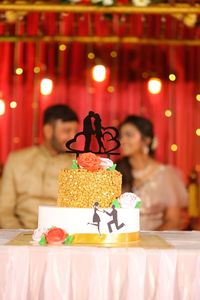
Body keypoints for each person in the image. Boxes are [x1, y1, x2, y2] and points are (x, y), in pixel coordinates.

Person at [0, 104, 79, 229]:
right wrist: (19, 236)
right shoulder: (17, 160)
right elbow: (4, 210)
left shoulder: (79, 165)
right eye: (66, 131)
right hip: (19, 234)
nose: (73, 137)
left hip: (63, 239)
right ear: (48, 131)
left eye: (75, 131)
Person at [116, 115, 188, 231]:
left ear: (147, 140)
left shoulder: (165, 174)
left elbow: (173, 220)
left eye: (129, 135)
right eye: (121, 136)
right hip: (124, 241)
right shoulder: (117, 172)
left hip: (155, 243)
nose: (122, 140)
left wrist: (148, 242)